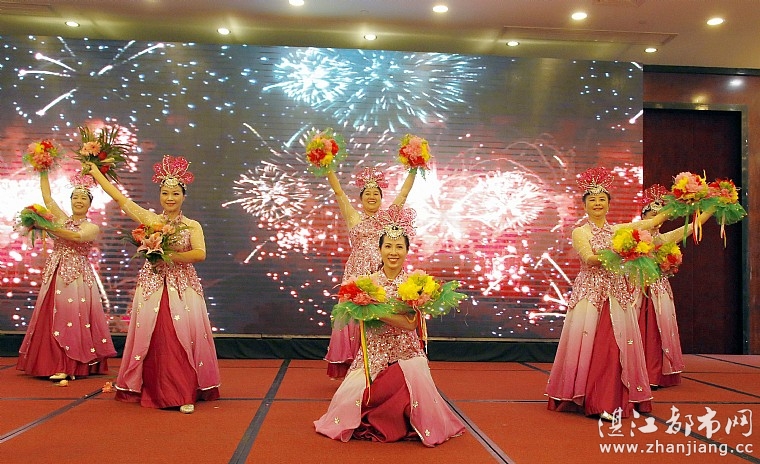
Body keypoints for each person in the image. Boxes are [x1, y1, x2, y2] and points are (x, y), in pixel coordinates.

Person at [315, 205, 465, 446]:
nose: (393, 252)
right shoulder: (365, 284)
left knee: (415, 392)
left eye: (399, 247)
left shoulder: (416, 284)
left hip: (406, 354)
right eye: (388, 246)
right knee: (345, 406)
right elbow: (360, 317)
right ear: (380, 249)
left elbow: (410, 324)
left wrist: (376, 310)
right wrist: (369, 307)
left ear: (406, 250)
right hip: (373, 354)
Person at [87, 156, 220, 414]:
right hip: (153, 286)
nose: (170, 198)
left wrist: (168, 255)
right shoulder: (151, 221)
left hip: (182, 287)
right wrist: (96, 173)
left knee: (179, 338)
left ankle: (182, 391)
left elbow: (200, 253)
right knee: (154, 338)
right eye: (165, 193)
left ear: (184, 196)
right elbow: (121, 199)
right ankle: (153, 389)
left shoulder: (192, 225)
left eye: (175, 193)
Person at [546, 167, 669, 420]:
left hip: (616, 293)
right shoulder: (580, 232)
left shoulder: (618, 231)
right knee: (594, 347)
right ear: (584, 205)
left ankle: (609, 400)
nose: (597, 203)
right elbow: (589, 259)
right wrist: (621, 253)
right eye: (592, 199)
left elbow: (652, 223)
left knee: (615, 348)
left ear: (609, 204)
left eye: (602, 199)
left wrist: (686, 203)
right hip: (591, 295)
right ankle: (593, 399)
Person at [17, 172, 116, 382]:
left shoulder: (91, 227)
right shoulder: (61, 219)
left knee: (70, 318)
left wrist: (46, 226)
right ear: (70, 201)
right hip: (55, 273)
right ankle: (47, 363)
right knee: (50, 317)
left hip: (76, 276)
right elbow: (47, 197)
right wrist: (43, 170)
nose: (79, 201)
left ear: (89, 204)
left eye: (83, 198)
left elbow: (75, 236)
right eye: (75, 197)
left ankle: (69, 364)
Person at [324, 166, 417, 379]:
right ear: (361, 198)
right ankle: (356, 374)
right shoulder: (353, 218)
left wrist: (414, 168)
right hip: (356, 279)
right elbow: (338, 192)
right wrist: (327, 167)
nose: (372, 196)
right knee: (353, 323)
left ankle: (381, 370)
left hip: (380, 279)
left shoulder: (388, 219)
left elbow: (403, 193)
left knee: (378, 323)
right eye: (367, 193)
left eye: (376, 193)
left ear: (382, 198)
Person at [635, 184, 713, 388]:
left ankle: (654, 374)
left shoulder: (664, 239)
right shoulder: (630, 238)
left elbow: (694, 227)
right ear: (643, 217)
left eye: (660, 216)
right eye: (652, 215)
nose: (656, 220)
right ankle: (635, 374)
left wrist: (713, 207)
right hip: (635, 291)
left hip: (658, 291)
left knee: (657, 333)